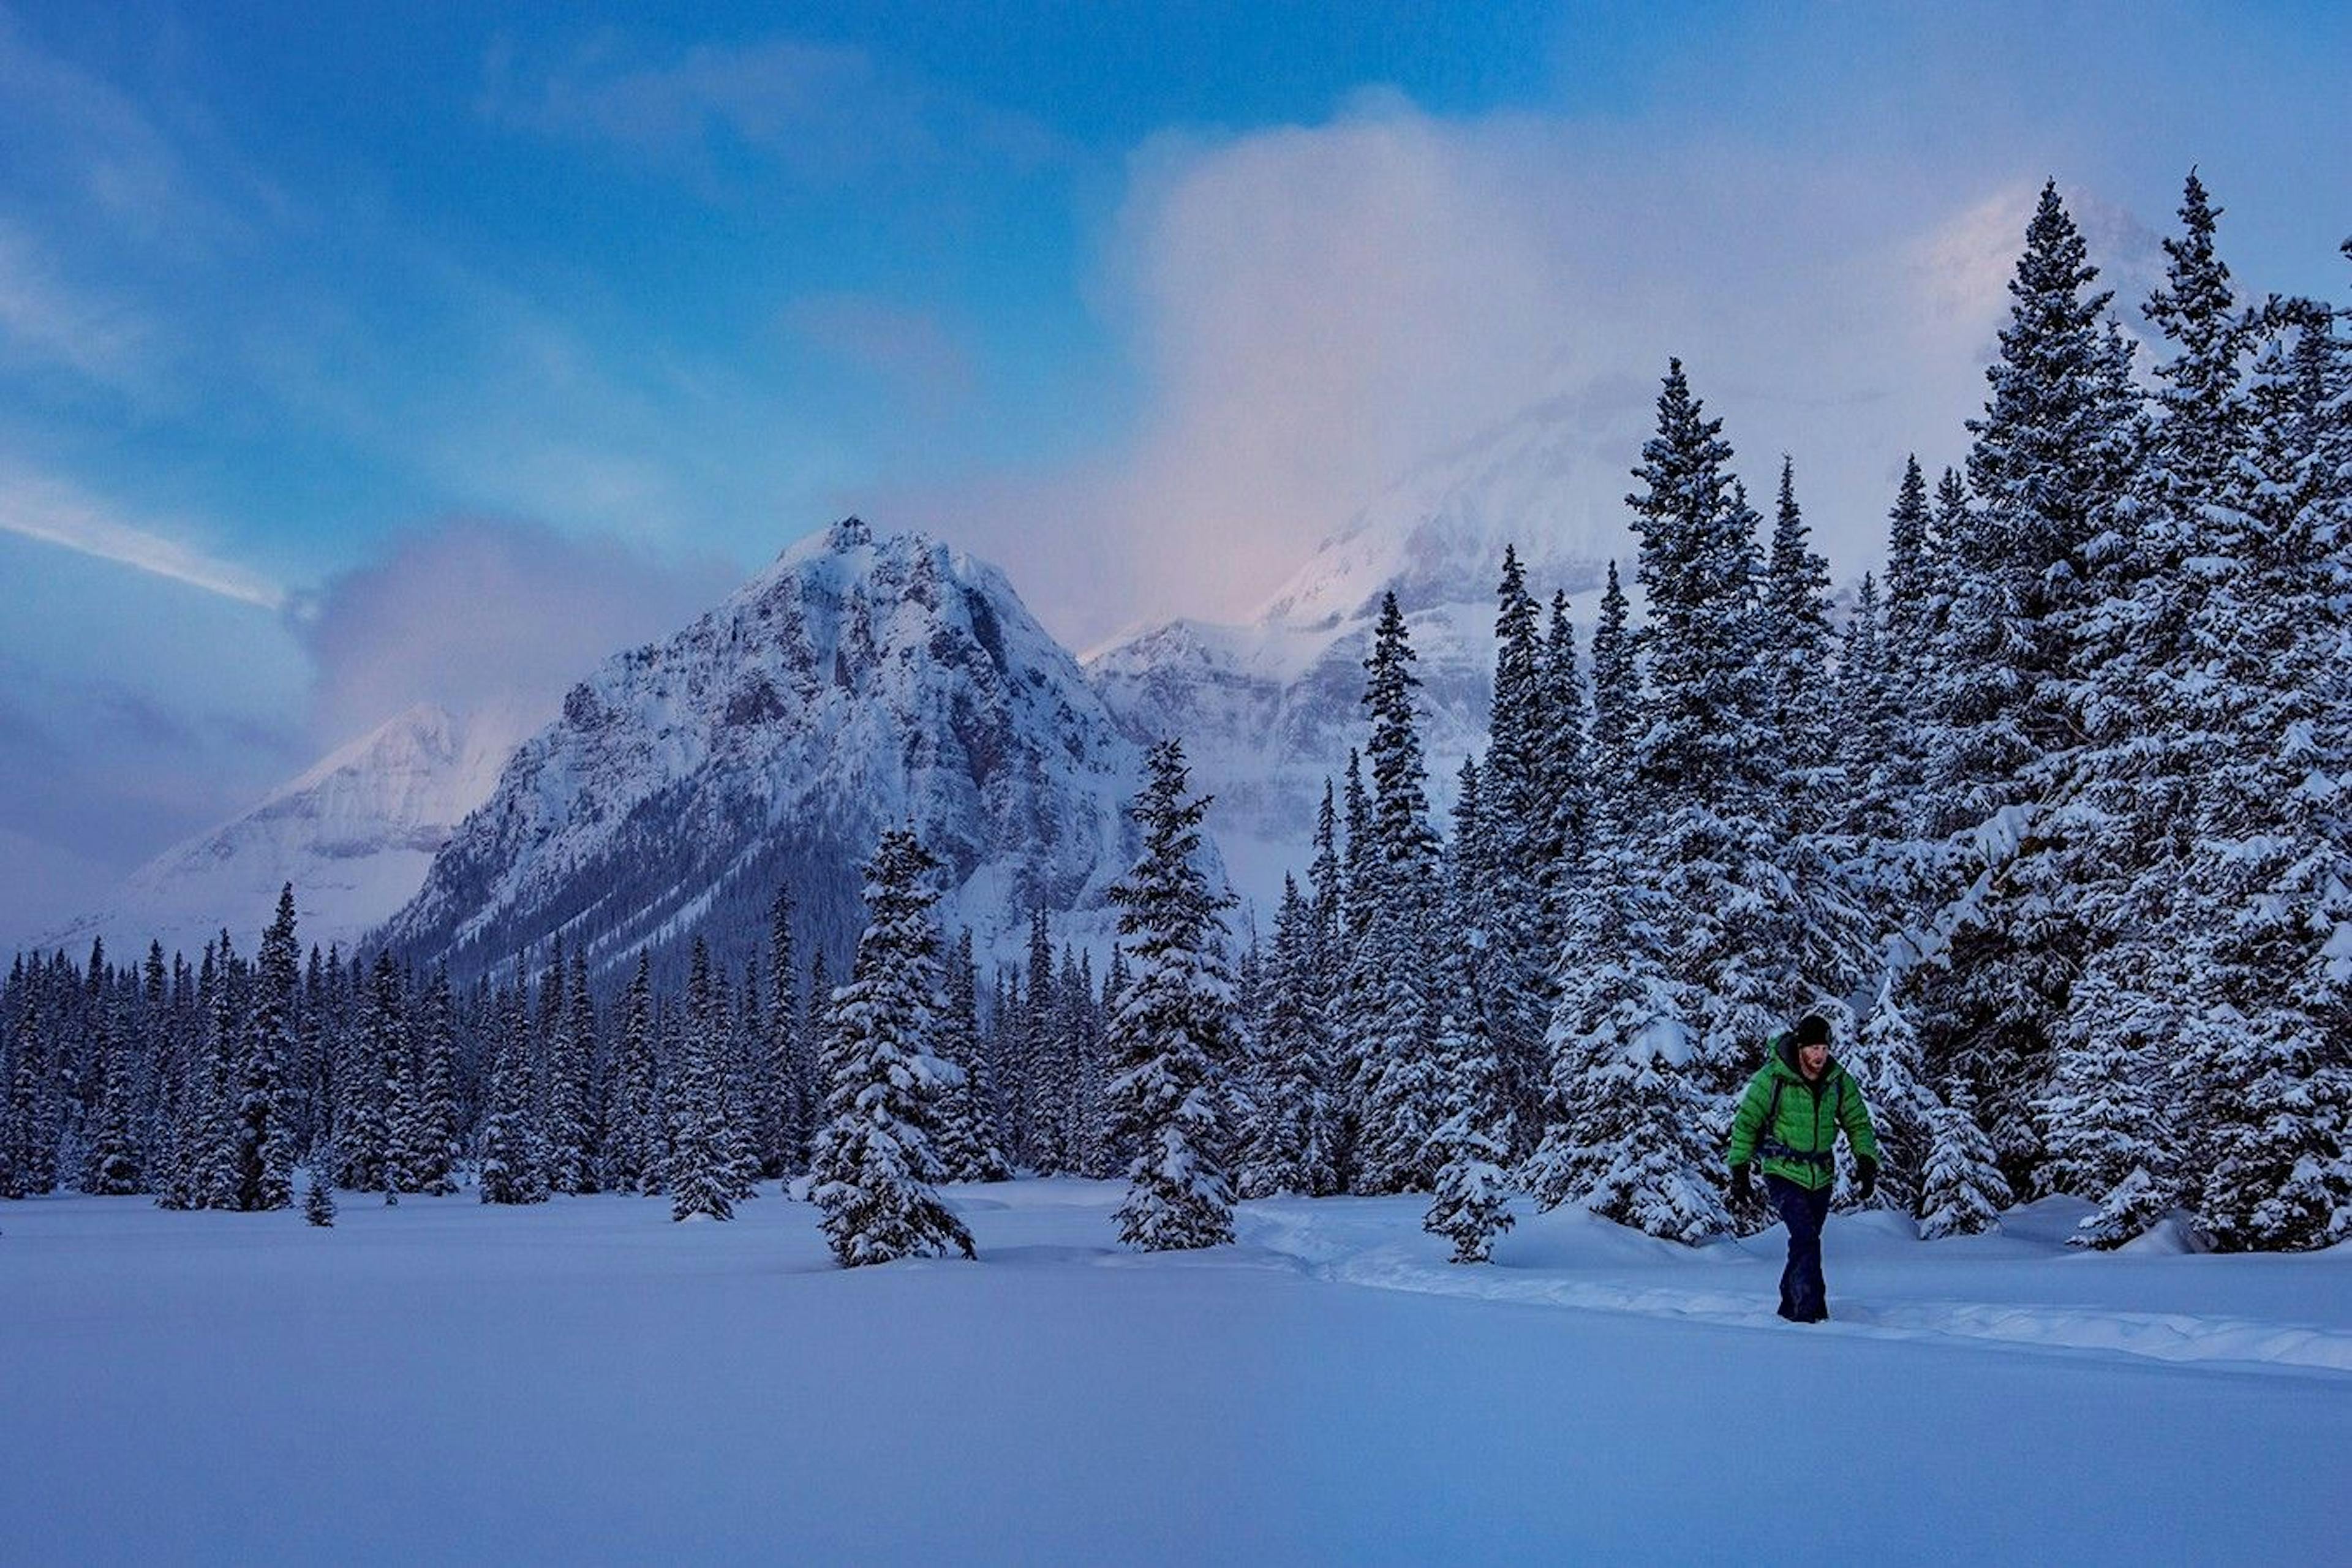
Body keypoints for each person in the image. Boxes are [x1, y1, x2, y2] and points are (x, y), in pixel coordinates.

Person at [1725, 1012, 1880, 1323]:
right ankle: (1810, 1314)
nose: (1819, 1056)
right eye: (1813, 1049)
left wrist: (1866, 1161)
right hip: (1782, 1171)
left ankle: (1789, 1306)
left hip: (1821, 1175)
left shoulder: (1838, 1081)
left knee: (1805, 1244)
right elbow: (1746, 1124)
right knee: (1806, 1238)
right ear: (1800, 1048)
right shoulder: (1772, 1079)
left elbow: (1858, 1122)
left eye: (1823, 1048)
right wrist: (1739, 1170)